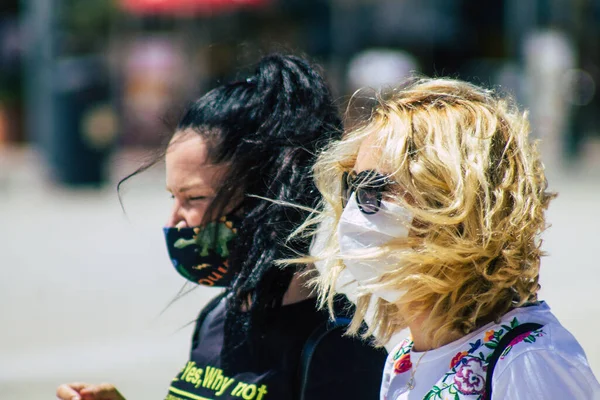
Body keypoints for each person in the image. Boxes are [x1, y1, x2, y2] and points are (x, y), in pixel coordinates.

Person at [56, 54, 387, 400]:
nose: (174, 222)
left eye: (194, 198)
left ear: (266, 197)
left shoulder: (337, 345)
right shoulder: (217, 316)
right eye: (174, 198)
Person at [302, 78, 600, 399]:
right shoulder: (405, 358)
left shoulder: (528, 362)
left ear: (452, 201)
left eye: (373, 188)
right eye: (352, 186)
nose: (353, 210)